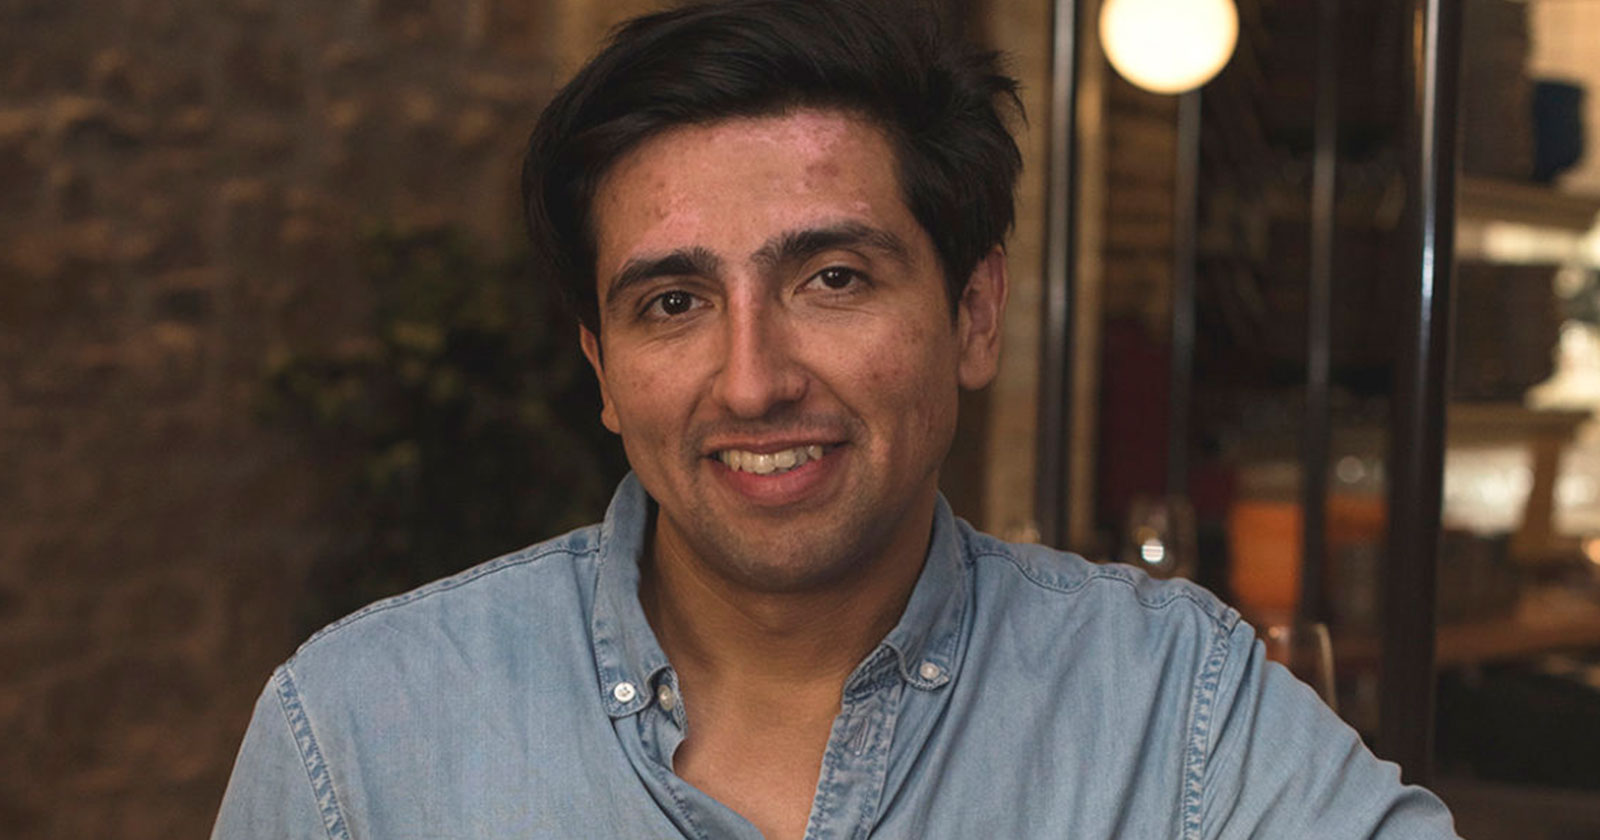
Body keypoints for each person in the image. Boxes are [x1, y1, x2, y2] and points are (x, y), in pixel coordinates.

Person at [212, 1, 1460, 837]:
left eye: (832, 279)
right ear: (600, 368)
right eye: (673, 300)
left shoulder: (1171, 709)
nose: (753, 381)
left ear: (976, 314)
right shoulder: (357, 741)